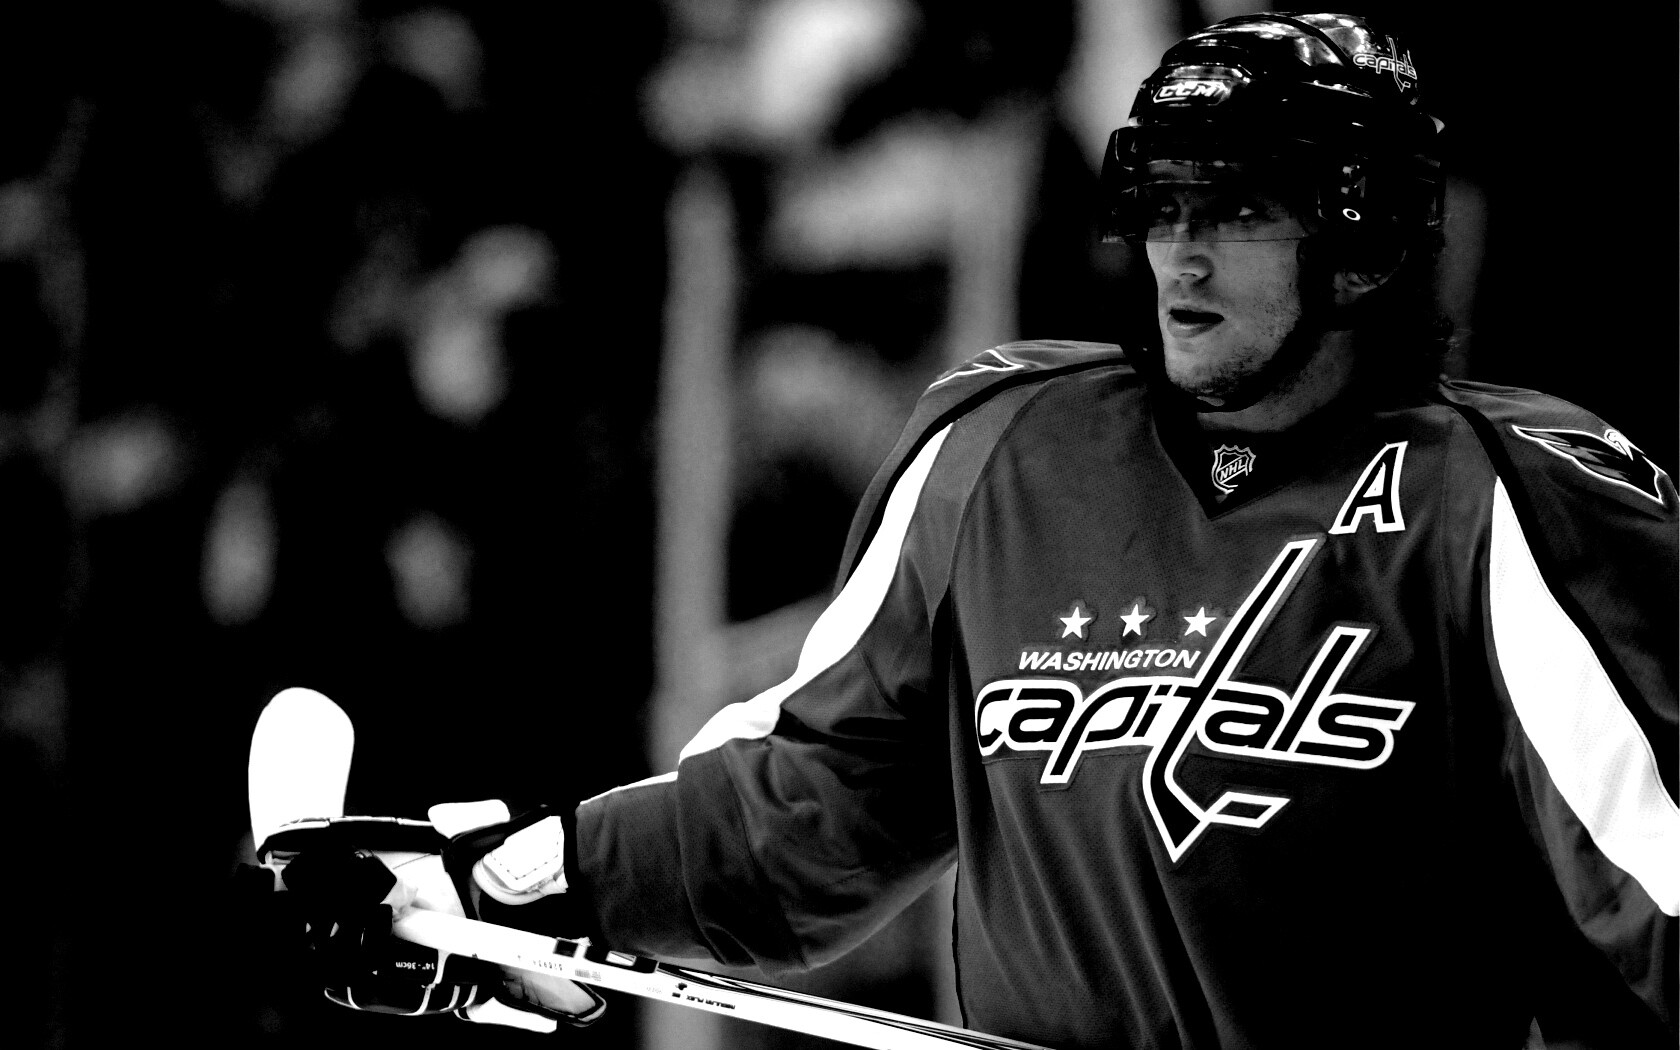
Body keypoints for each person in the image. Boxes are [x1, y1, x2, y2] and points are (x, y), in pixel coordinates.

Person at [272, 12, 1677, 1048]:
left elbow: (1656, 882)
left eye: (1238, 212)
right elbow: (804, 810)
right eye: (1164, 206)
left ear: (1362, 240)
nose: (1180, 255)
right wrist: (504, 881)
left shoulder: (1509, 495)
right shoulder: (1001, 454)